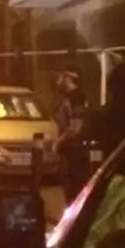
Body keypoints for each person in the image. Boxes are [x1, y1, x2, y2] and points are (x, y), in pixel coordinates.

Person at [52, 67, 92, 204]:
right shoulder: (69, 97)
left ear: (68, 77)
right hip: (71, 151)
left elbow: (75, 127)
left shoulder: (76, 98)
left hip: (75, 152)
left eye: (60, 77)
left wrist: (58, 142)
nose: (57, 81)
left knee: (74, 190)